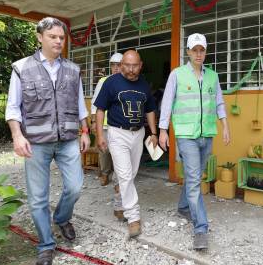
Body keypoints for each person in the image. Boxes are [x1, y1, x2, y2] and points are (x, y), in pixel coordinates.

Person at [5, 17, 91, 265]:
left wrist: (85, 131)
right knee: (38, 198)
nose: (58, 41)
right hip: (36, 143)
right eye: (53, 36)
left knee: (75, 187)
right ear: (39, 37)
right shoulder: (21, 68)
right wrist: (17, 136)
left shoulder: (73, 70)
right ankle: (45, 245)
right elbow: (12, 107)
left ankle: (62, 217)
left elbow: (78, 104)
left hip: (67, 140)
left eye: (61, 38)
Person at [158, 33, 230, 250]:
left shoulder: (213, 77)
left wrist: (225, 125)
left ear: (205, 52)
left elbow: (219, 102)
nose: (199, 54)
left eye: (202, 50)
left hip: (206, 134)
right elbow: (167, 103)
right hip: (186, 135)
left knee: (195, 176)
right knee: (194, 179)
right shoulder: (177, 75)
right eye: (195, 50)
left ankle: (183, 206)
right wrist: (163, 130)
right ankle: (201, 228)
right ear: (188, 52)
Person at [93, 50, 158, 238]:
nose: (131, 70)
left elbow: (151, 110)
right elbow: (99, 110)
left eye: (134, 65)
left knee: (131, 174)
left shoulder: (144, 84)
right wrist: (99, 135)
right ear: (121, 65)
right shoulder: (111, 83)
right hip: (117, 133)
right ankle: (133, 217)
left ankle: (119, 202)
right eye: (127, 65)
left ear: (140, 65)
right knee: (125, 174)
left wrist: (153, 133)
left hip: (138, 134)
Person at [90, 53, 126, 221]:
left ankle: (118, 181)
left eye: (119, 64)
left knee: (119, 154)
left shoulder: (127, 81)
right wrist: (93, 121)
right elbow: (96, 103)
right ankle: (105, 173)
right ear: (111, 66)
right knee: (104, 151)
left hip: (119, 126)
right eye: (114, 64)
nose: (117, 67)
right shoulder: (103, 82)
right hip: (104, 124)